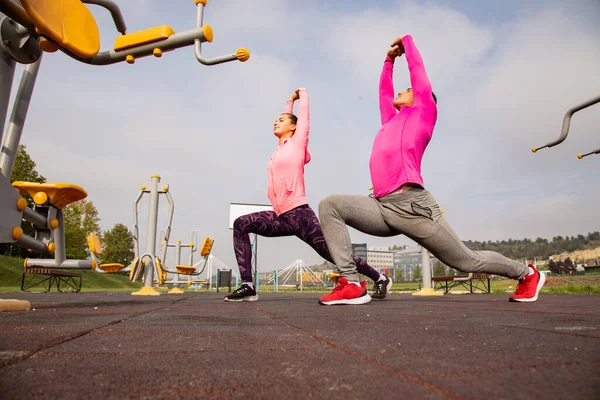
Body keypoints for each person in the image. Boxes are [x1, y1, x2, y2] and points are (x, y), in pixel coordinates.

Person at [318, 35, 545, 306]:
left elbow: (419, 76)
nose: (401, 92)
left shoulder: (424, 112)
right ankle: (352, 283)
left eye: (408, 89)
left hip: (413, 206)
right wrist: (388, 61)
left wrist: (408, 44)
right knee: (331, 205)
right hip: (381, 207)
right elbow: (384, 94)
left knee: (465, 260)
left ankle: (527, 273)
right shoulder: (391, 120)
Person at [224, 88, 390, 303]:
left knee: (333, 254)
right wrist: (287, 103)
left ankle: (379, 277)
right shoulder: (279, 148)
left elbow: (303, 119)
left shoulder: (298, 143)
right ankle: (247, 286)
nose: (276, 122)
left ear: (293, 127)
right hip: (280, 216)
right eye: (276, 120)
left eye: (281, 120)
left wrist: (300, 96)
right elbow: (286, 123)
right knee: (241, 224)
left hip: (301, 216)